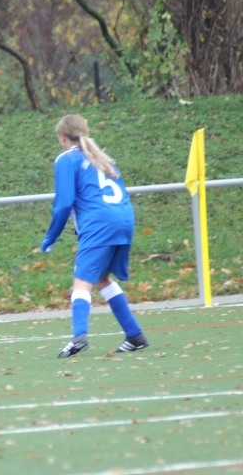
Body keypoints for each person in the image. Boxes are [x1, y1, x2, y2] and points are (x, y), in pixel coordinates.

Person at [40, 114, 148, 358]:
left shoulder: (67, 159)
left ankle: (79, 336)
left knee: (82, 283)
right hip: (124, 219)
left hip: (100, 224)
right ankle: (135, 335)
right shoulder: (102, 158)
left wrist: (51, 237)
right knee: (101, 278)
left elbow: (64, 203)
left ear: (63, 137)